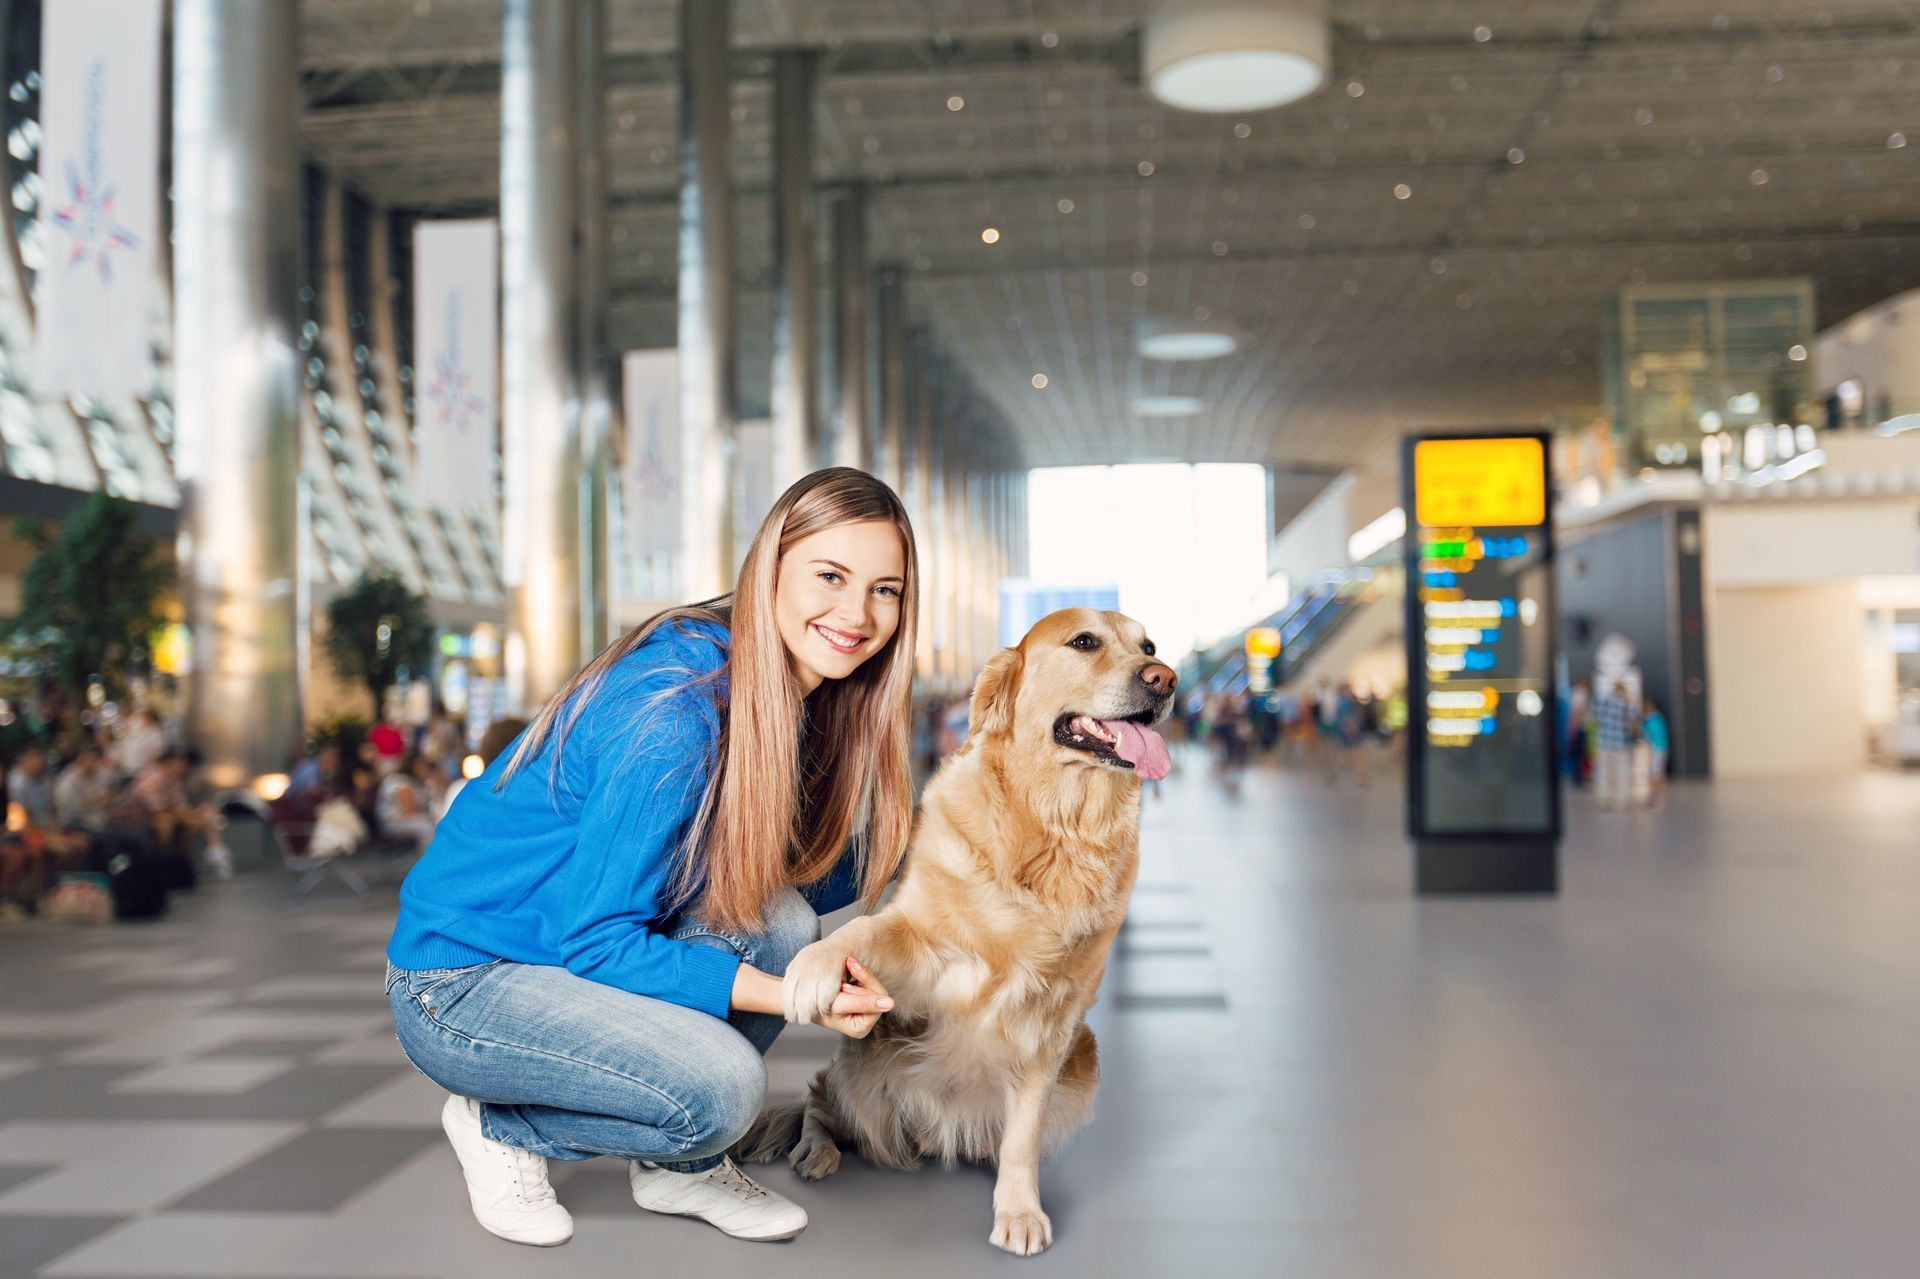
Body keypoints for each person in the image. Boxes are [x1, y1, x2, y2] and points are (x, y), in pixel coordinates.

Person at [385, 468, 916, 1249]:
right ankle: (503, 1126)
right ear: (770, 568)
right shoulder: (675, 712)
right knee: (723, 1090)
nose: (857, 612)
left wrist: (950, 837)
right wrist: (792, 995)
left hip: (561, 953)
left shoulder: (792, 695)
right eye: (831, 576)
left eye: (886, 589)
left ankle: (677, 1168)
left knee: (782, 920)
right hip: (465, 980)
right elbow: (600, 940)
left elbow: (799, 871)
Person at [1592, 681, 1640, 810]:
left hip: (1604, 742)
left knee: (1603, 772)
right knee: (1622, 772)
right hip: (1621, 743)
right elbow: (1632, 726)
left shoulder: (1605, 701)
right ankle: (1621, 800)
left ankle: (1604, 798)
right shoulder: (1628, 704)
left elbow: (1595, 717)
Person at [52, 746, 115, 834]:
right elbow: (75, 810)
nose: (96, 765)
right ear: (82, 761)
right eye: (93, 761)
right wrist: (98, 802)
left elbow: (110, 787)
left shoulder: (95, 774)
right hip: (73, 822)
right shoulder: (68, 782)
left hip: (96, 816)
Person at [1642, 697, 1670, 807]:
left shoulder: (1650, 720)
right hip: (1662, 748)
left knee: (1655, 774)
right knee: (1658, 773)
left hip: (1656, 749)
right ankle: (1658, 797)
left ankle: (1656, 798)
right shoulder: (1659, 717)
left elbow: (1645, 736)